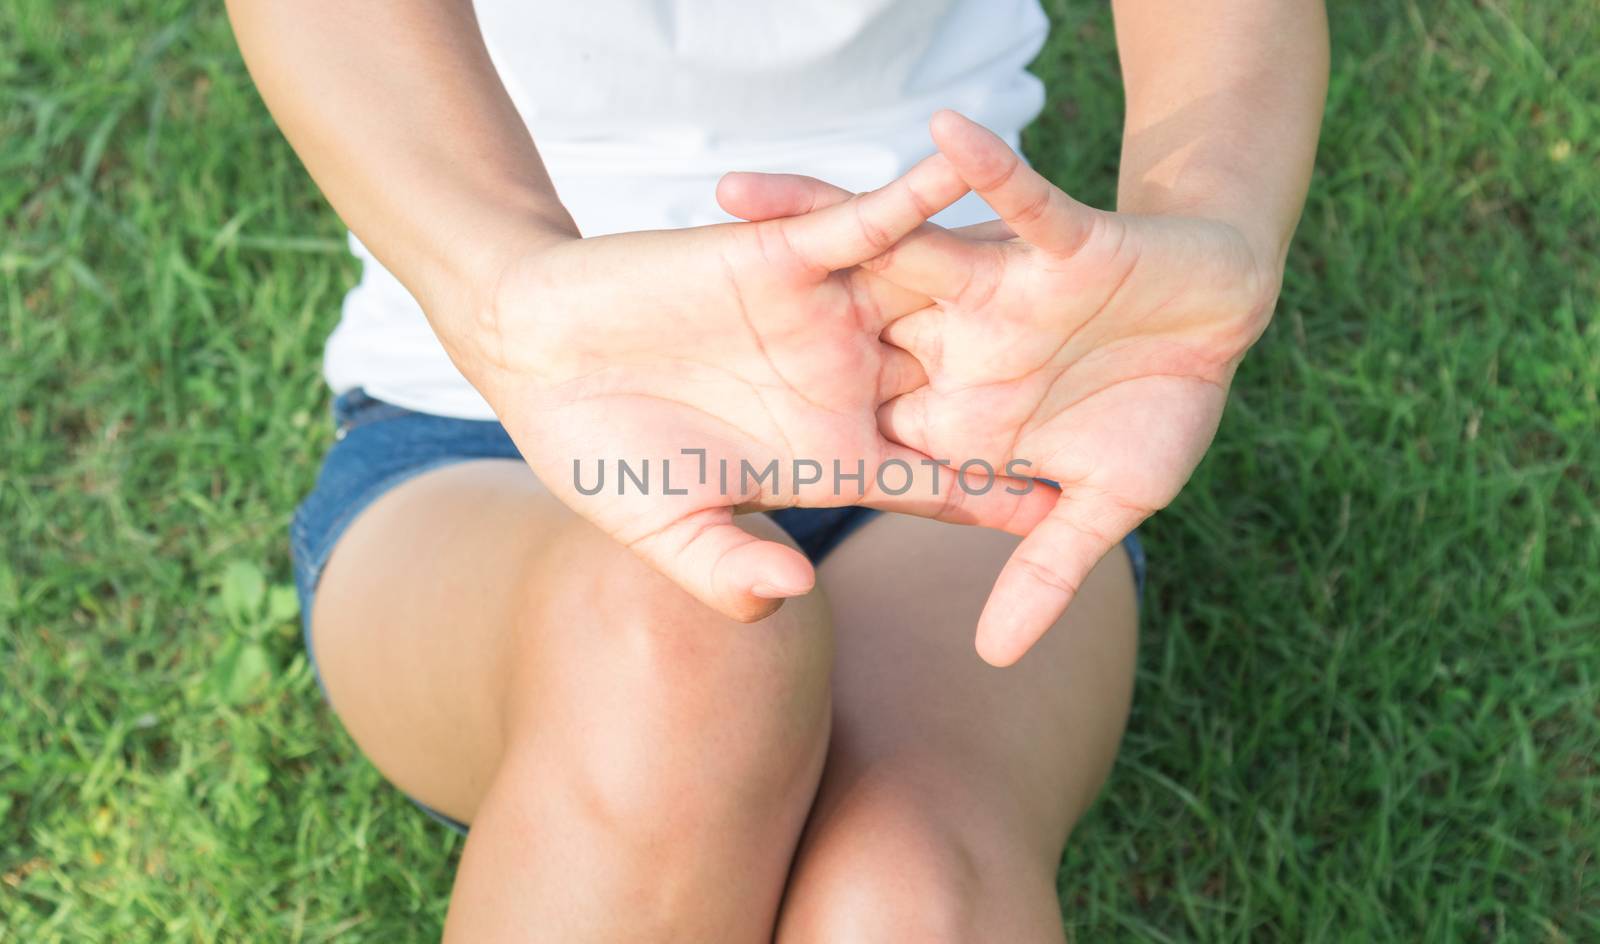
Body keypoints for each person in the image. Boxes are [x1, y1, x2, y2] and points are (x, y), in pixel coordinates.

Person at [228, 0, 1326, 939]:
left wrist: (1210, 235)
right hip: (505, 417)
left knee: (905, 895)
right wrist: (510, 300)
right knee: (671, 652)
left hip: (957, 396)